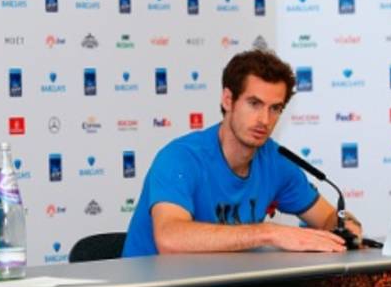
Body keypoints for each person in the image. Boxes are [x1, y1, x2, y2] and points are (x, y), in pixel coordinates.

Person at [122, 49, 362, 257]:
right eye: (254, 104)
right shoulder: (180, 158)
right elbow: (170, 239)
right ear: (228, 100)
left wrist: (346, 227)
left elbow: (327, 217)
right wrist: (268, 233)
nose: (264, 120)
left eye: (275, 108)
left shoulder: (276, 160)